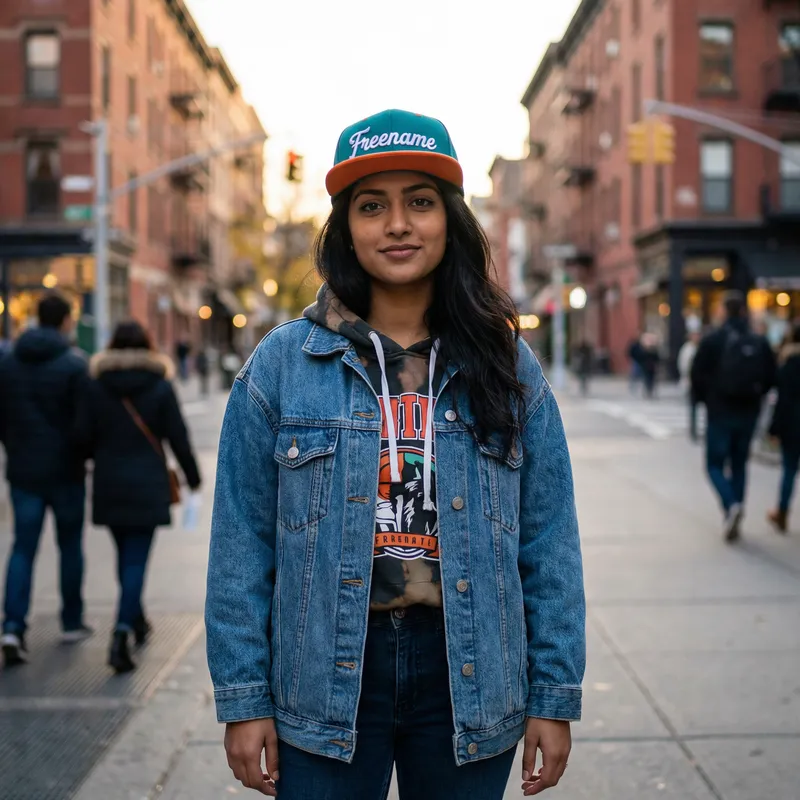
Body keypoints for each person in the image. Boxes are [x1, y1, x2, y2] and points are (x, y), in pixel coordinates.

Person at [205, 110, 585, 800]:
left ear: (451, 220)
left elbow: (548, 539)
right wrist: (243, 698)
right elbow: (241, 544)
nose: (398, 224)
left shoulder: (507, 365)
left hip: (470, 671)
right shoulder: (283, 365)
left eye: (420, 201)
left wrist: (553, 696)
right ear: (346, 226)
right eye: (372, 205)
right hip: (323, 674)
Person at [75, 321, 201, 673]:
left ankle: (137, 618)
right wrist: (192, 477)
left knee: (125, 555)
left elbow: (82, 436)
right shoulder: (159, 385)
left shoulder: (96, 385)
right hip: (147, 483)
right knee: (135, 558)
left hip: (109, 482)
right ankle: (121, 631)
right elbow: (178, 435)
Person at [0, 293, 92, 667]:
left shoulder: (8, 363)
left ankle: (12, 625)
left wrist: (15, 447)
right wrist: (79, 454)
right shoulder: (74, 365)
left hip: (23, 471)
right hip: (65, 472)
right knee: (69, 546)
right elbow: (84, 423)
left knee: (23, 547)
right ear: (66, 321)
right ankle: (71, 620)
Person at [691, 291, 777, 542]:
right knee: (739, 464)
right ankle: (736, 503)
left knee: (714, 464)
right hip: (748, 412)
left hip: (720, 412)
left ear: (723, 310)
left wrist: (706, 400)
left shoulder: (713, 340)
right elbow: (771, 377)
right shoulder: (759, 341)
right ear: (743, 311)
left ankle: (730, 505)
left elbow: (697, 375)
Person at [767, 322, 800, 533]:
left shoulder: (788, 362)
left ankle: (782, 511)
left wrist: (774, 429)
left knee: (789, 470)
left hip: (792, 424)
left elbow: (782, 400)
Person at [678, 330, 702, 441]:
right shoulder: (687, 349)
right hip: (691, 382)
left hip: (701, 382)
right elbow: (683, 365)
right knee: (693, 407)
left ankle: (697, 430)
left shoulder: (701, 347)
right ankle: (693, 430)